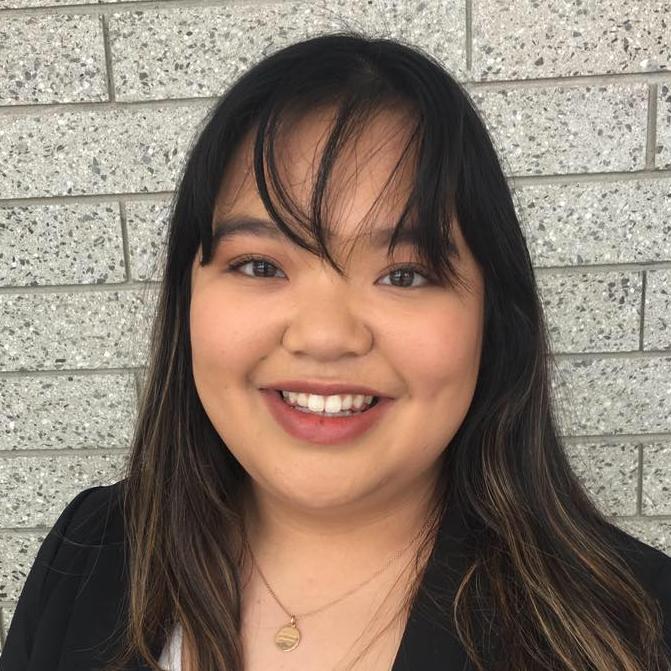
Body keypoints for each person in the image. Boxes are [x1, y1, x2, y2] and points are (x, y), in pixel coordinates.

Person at [1, 31, 670, 671]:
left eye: (404, 274)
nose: (323, 336)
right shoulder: (91, 550)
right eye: (260, 265)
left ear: (492, 317)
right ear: (187, 299)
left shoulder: (634, 625)